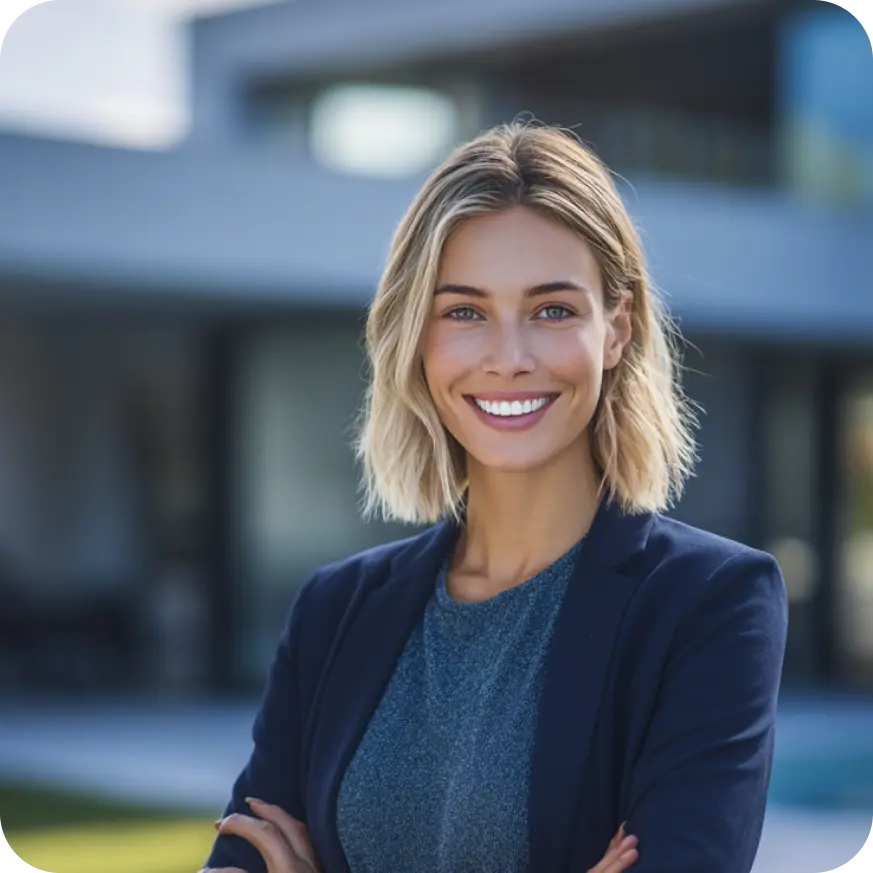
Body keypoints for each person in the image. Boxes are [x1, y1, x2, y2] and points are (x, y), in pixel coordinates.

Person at [201, 122, 788, 873]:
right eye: (464, 312)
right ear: (418, 337)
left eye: (551, 310)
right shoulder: (332, 611)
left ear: (616, 329)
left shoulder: (711, 604)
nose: (508, 358)